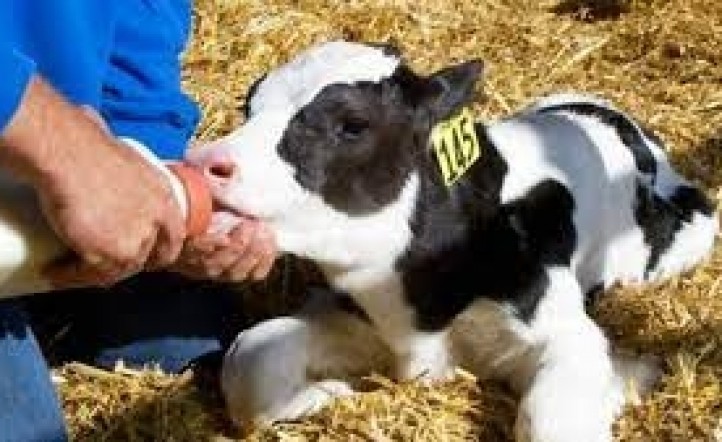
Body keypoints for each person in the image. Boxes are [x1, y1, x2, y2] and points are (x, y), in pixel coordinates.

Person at [0, 2, 276, 441]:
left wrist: (157, 186)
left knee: (208, 354)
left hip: (44, 183)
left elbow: (136, 24)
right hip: (32, 136)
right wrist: (57, 144)